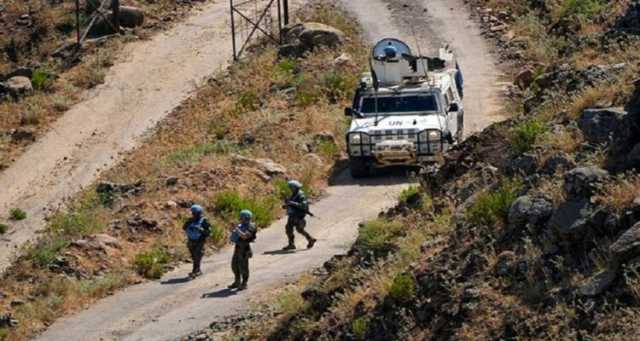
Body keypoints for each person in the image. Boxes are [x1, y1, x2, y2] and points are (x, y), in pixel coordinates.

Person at [282, 180, 316, 251]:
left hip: (298, 215)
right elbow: (291, 203)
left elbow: (302, 205)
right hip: (293, 214)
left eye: (291, 187)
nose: (290, 188)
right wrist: (286, 205)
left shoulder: (300, 195)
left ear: (294, 187)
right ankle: (292, 244)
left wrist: (291, 203)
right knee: (291, 229)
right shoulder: (294, 194)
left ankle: (309, 239)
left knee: (296, 229)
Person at [229, 209, 257, 290]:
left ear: (246, 218)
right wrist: (232, 228)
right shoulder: (241, 225)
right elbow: (234, 232)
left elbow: (244, 236)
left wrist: (236, 229)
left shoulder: (251, 226)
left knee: (243, 267)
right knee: (234, 265)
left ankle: (244, 283)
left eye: (242, 217)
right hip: (238, 247)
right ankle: (237, 281)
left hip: (244, 248)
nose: (240, 219)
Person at [183, 204, 211, 279]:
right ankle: (197, 270)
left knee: (197, 256)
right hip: (191, 241)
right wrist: (190, 225)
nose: (194, 214)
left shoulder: (204, 221)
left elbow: (208, 232)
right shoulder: (190, 220)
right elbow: (184, 227)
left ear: (200, 213)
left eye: (196, 213)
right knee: (193, 256)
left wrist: (200, 229)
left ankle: (195, 271)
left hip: (200, 241)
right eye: (193, 213)